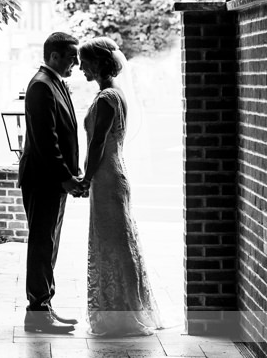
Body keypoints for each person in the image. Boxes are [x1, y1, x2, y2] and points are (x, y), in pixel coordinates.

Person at [77, 37, 162, 337]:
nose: (80, 68)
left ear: (99, 63)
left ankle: (119, 313)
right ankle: (125, 307)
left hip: (106, 176)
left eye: (85, 63)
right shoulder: (117, 94)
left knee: (112, 243)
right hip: (115, 172)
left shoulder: (104, 99)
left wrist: (86, 178)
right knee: (119, 241)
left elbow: (98, 143)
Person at [18, 32, 83, 333]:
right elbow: (47, 141)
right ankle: (38, 312)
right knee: (42, 244)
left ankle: (44, 306)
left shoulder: (54, 82)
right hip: (43, 179)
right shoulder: (41, 86)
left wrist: (72, 171)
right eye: (72, 57)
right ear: (54, 56)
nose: (76, 63)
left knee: (49, 244)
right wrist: (65, 177)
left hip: (53, 181)